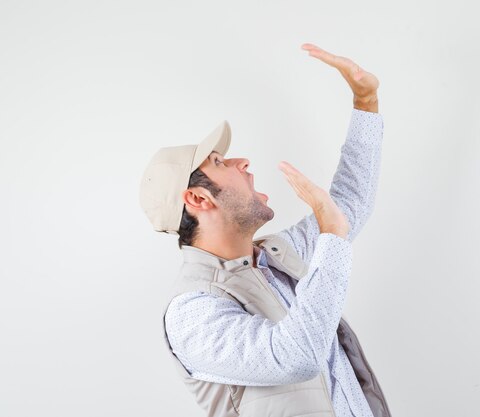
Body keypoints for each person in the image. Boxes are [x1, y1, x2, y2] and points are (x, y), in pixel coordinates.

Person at [139, 43, 392, 417]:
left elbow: (349, 205)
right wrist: (331, 237)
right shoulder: (192, 311)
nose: (243, 161)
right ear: (198, 198)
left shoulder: (275, 256)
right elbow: (295, 356)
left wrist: (365, 101)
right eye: (220, 162)